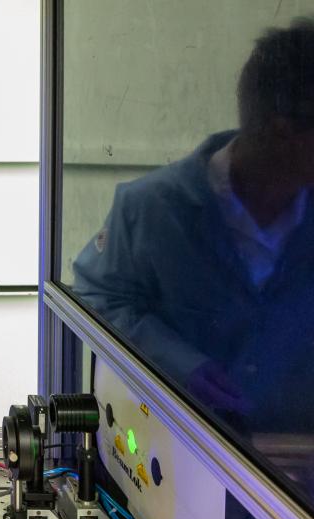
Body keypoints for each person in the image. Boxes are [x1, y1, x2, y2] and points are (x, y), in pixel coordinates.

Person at [72, 18, 314, 434]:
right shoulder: (152, 208)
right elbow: (99, 298)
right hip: (182, 454)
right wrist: (182, 365)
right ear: (284, 135)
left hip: (295, 471)